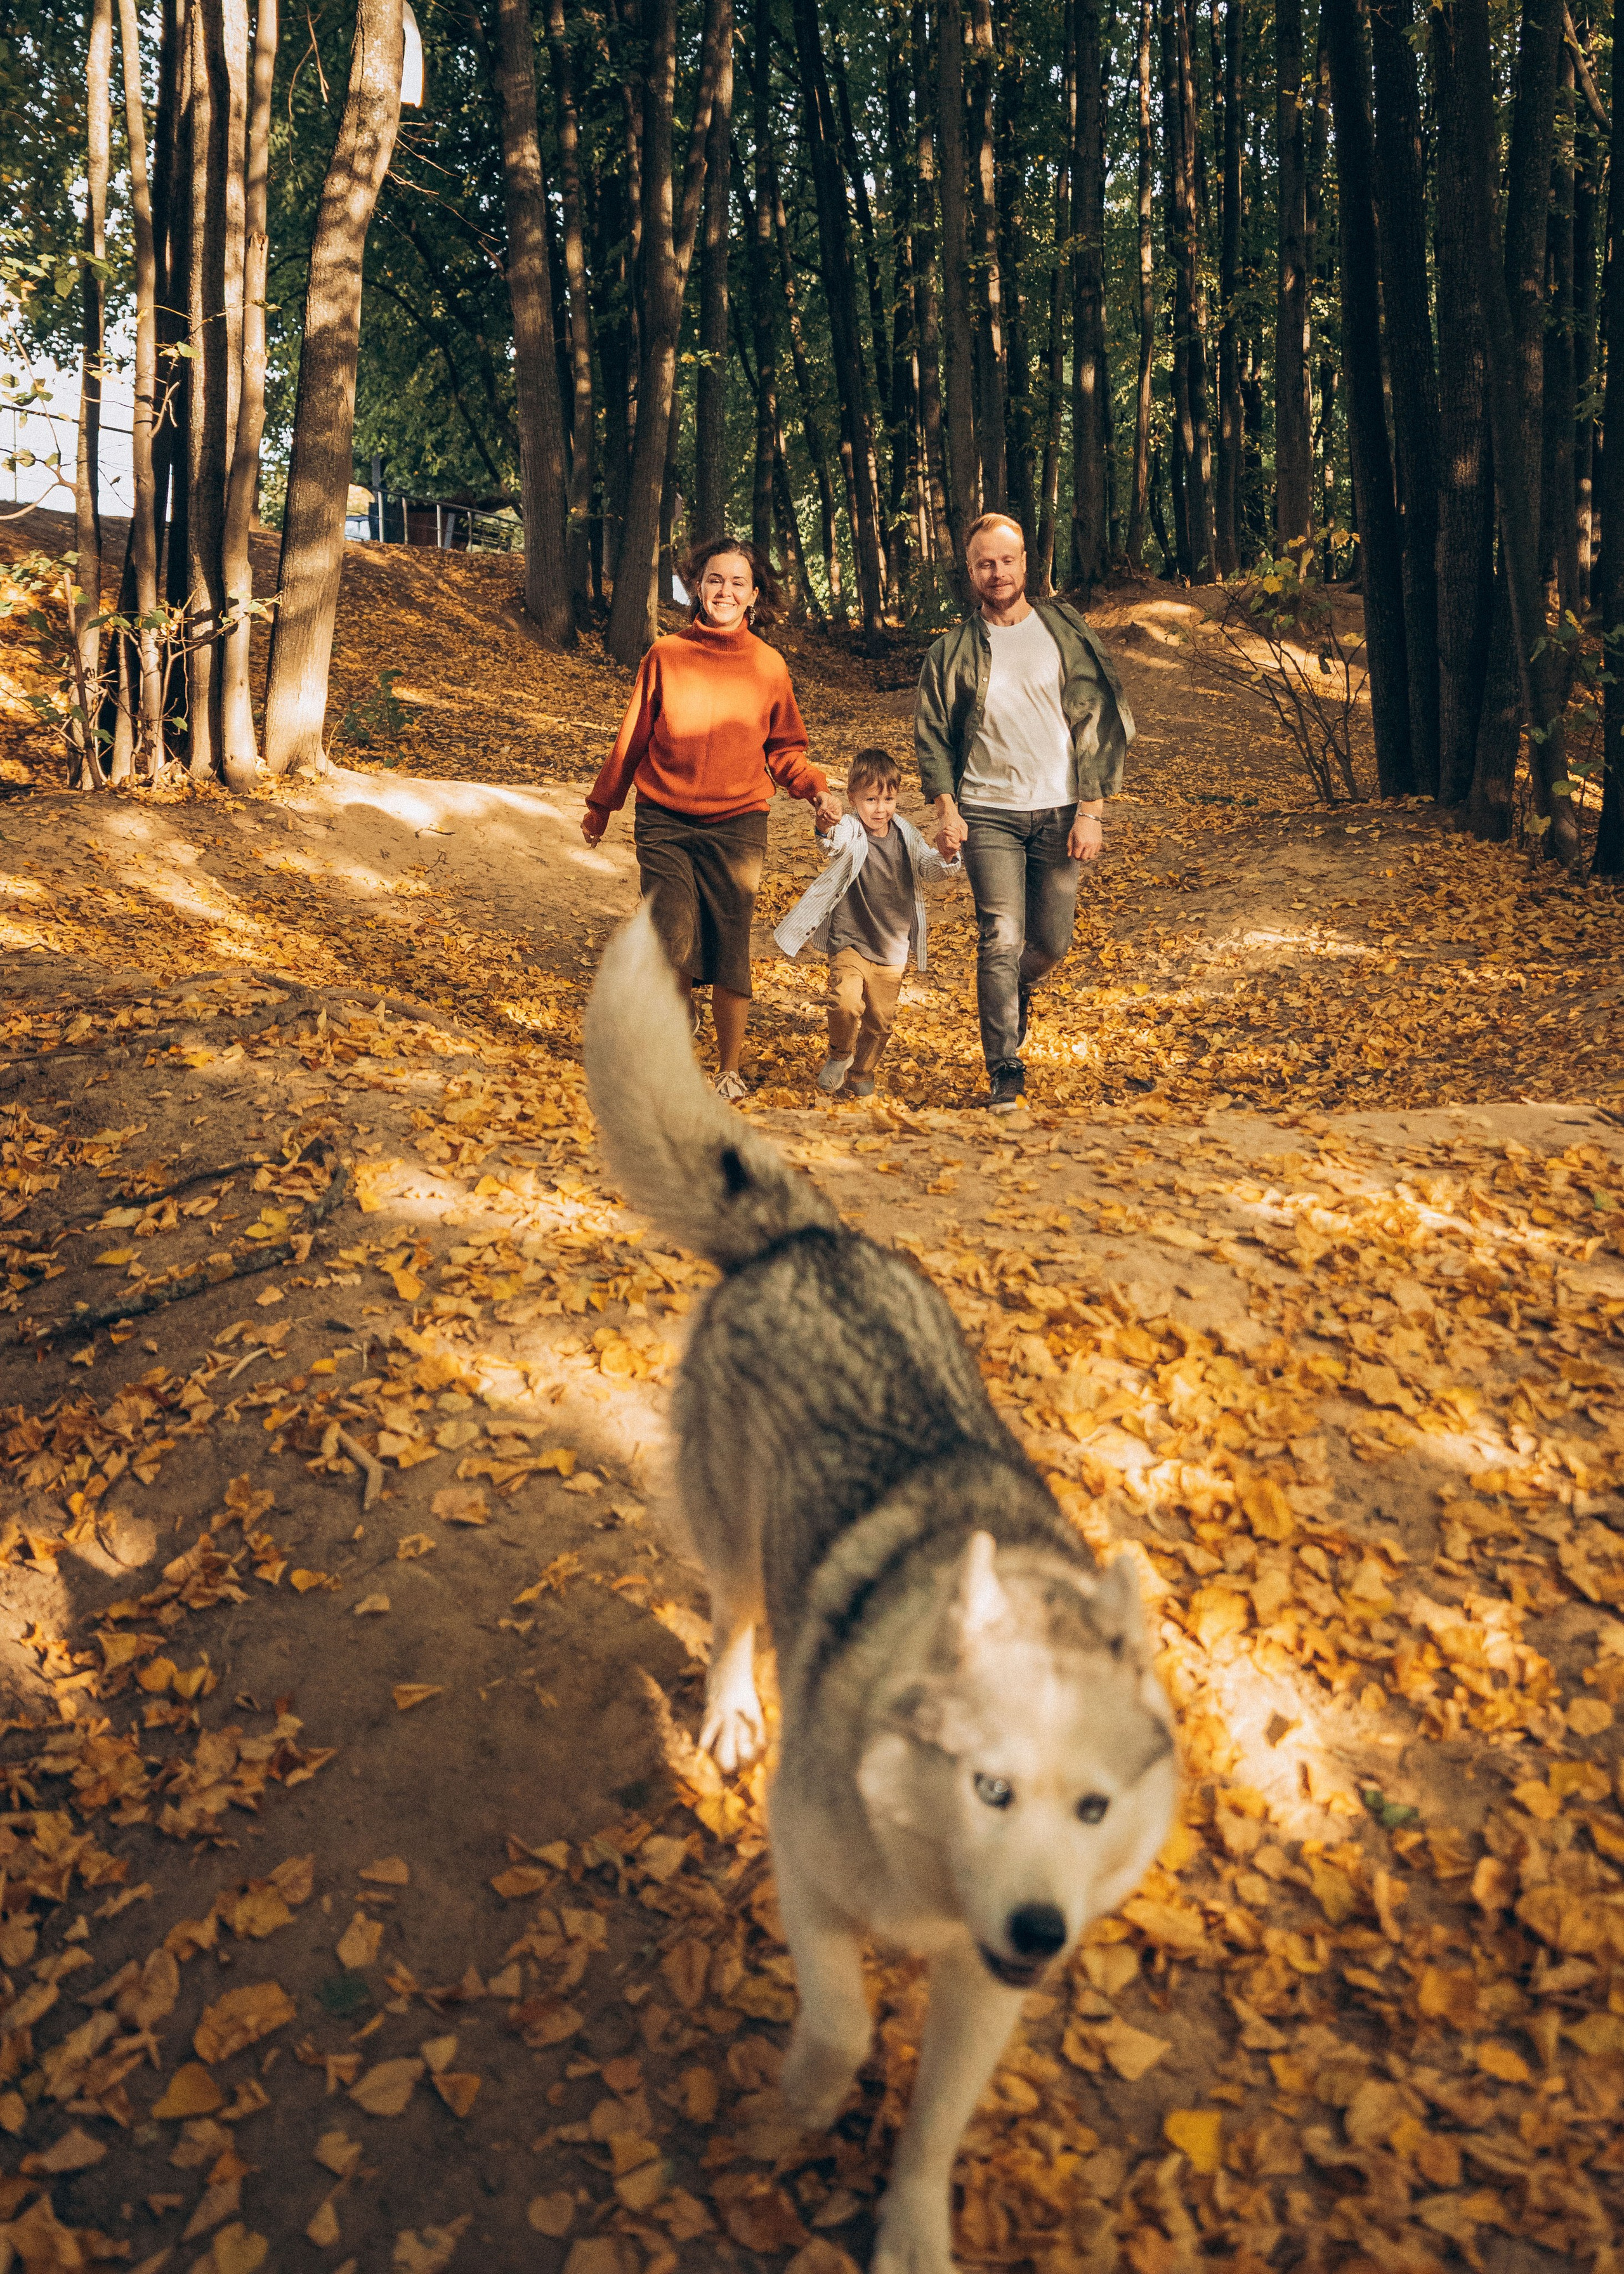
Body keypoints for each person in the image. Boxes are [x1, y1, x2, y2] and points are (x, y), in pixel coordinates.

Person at [583, 539, 840, 1100]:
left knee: (729, 944)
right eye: (715, 580)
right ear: (697, 586)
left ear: (754, 597)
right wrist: (602, 806)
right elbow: (632, 740)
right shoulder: (665, 656)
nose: (725, 591)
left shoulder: (768, 667)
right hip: (665, 819)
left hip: (738, 825)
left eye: (737, 583)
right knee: (670, 934)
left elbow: (785, 750)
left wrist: (815, 790)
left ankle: (729, 1067)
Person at [915, 512, 1134, 1112]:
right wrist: (946, 808)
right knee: (1000, 937)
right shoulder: (952, 651)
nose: (998, 572)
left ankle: (1013, 990)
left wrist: (1092, 809)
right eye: (985, 563)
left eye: (1007, 560)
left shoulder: (1064, 631)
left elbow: (1096, 717)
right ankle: (1004, 1066)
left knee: (1051, 944)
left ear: (1025, 564)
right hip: (988, 814)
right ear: (971, 571)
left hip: (1060, 811)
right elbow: (932, 735)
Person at [772, 747, 962, 1099]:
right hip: (850, 938)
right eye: (871, 799)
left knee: (881, 1020)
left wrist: (948, 855)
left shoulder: (907, 835)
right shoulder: (849, 828)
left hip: (892, 946)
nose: (880, 808)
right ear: (853, 798)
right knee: (844, 1001)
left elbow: (929, 869)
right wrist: (824, 824)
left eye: (888, 799)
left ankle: (861, 1073)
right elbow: (832, 845)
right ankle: (840, 1053)